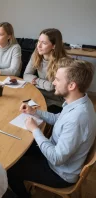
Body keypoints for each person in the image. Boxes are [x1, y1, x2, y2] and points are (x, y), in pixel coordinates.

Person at [7, 58, 96, 198]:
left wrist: (35, 129)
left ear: (72, 85)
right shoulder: (78, 100)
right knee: (19, 147)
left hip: (60, 173)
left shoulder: (77, 119)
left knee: (11, 168)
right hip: (60, 157)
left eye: (58, 80)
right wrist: (34, 112)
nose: (53, 82)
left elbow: (56, 158)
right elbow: (58, 118)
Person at [24, 28, 67, 113]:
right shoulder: (36, 54)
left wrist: (35, 81)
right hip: (37, 95)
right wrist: (37, 80)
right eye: (39, 41)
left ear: (54, 46)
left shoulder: (63, 62)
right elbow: (26, 75)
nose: (38, 46)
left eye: (44, 43)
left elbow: (51, 87)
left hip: (55, 102)